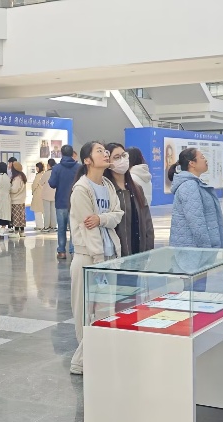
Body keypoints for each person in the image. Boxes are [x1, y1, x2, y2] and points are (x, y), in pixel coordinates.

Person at [69, 141, 123, 375]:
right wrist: (104, 219)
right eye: (99, 151)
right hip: (88, 258)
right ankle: (80, 362)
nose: (105, 154)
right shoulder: (81, 189)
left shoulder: (108, 186)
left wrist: (102, 218)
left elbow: (117, 215)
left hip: (108, 257)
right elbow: (87, 226)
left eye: (105, 151)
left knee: (105, 311)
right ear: (87, 160)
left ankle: (93, 357)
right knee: (84, 311)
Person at [168, 148, 223, 248]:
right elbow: (197, 223)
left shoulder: (195, 184)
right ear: (192, 163)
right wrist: (206, 250)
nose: (205, 160)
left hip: (197, 250)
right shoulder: (189, 186)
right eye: (202, 157)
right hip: (195, 252)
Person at [104, 143, 154, 256]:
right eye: (116, 157)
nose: (122, 160)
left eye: (124, 155)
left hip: (139, 251)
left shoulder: (136, 188)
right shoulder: (107, 190)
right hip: (116, 254)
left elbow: (147, 221)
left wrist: (148, 248)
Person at [49, 145, 80, 259]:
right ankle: (73, 250)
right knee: (74, 228)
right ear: (72, 154)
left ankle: (61, 251)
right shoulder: (79, 168)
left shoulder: (57, 168)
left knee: (61, 228)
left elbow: (52, 183)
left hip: (61, 202)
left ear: (61, 153)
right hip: (75, 202)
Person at [9, 161, 27, 238]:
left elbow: (14, 189)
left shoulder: (17, 178)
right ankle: (22, 231)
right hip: (22, 200)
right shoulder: (22, 177)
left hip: (15, 200)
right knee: (21, 216)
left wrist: (8, 188)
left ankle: (16, 232)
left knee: (16, 216)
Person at [39, 159, 57, 233]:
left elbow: (41, 183)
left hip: (46, 195)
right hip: (54, 194)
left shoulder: (46, 173)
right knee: (53, 211)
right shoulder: (56, 172)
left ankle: (46, 227)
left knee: (47, 212)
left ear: (49, 165)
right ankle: (54, 226)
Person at [31, 162, 45, 230]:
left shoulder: (38, 176)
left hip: (37, 194)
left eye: (36, 167)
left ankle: (39, 225)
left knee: (37, 211)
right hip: (44, 194)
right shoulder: (44, 174)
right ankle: (44, 225)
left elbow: (34, 185)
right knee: (43, 211)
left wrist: (32, 191)